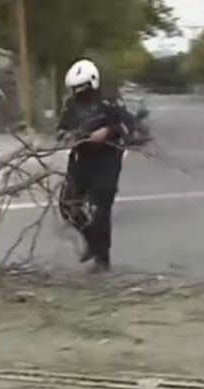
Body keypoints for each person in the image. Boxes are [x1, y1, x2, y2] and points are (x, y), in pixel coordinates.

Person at [56, 59, 133, 273]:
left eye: (82, 88)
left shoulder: (110, 102)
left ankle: (102, 257)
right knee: (68, 205)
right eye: (75, 90)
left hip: (108, 158)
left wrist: (107, 132)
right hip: (82, 157)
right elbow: (60, 129)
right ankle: (91, 241)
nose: (79, 94)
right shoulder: (70, 106)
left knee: (100, 207)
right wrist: (68, 136)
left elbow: (128, 126)